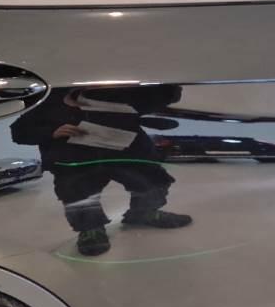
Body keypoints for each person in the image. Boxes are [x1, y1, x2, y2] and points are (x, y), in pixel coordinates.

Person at [10, 85, 192, 256]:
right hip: (76, 158)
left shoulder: (123, 91)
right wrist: (52, 131)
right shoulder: (52, 98)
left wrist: (167, 82)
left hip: (126, 151)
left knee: (153, 180)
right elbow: (19, 131)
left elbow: (163, 98)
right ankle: (91, 230)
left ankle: (145, 213)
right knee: (78, 193)